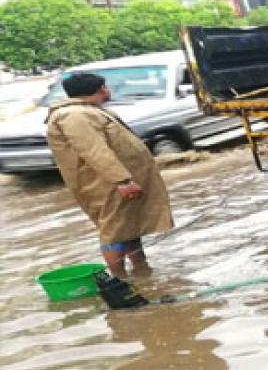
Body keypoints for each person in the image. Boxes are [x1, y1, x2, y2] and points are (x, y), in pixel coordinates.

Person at [45, 73, 174, 276]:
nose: (108, 90)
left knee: (130, 226)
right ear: (99, 89)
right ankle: (119, 280)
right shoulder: (74, 115)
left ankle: (142, 271)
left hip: (117, 180)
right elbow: (94, 150)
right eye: (105, 86)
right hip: (105, 183)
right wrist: (122, 180)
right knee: (114, 230)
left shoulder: (88, 111)